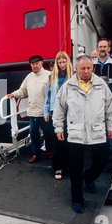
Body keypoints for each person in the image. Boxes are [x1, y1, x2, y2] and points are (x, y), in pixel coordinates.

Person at [53, 55, 112, 213]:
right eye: (83, 68)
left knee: (101, 161)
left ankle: (88, 178)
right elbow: (59, 109)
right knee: (75, 168)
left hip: (97, 131)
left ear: (92, 68)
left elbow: (110, 107)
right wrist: (59, 129)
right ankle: (77, 199)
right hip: (76, 133)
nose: (86, 71)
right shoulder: (68, 86)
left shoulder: (101, 85)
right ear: (76, 68)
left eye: (89, 68)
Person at [7, 55, 53, 163]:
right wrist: (13, 94)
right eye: (33, 64)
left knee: (48, 132)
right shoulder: (29, 77)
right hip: (32, 112)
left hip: (44, 111)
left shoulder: (49, 75)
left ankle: (50, 151)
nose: (35, 66)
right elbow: (22, 91)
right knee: (34, 134)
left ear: (41, 64)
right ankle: (35, 154)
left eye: (37, 63)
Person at [93, 38, 112, 171]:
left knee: (111, 128)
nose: (103, 49)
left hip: (110, 101)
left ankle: (111, 157)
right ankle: (99, 155)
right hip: (95, 101)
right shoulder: (92, 64)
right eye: (100, 47)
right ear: (97, 48)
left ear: (108, 49)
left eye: (105, 47)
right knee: (98, 128)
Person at [44, 51, 74, 180]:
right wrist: (46, 112)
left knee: (70, 140)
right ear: (56, 63)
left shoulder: (73, 76)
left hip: (71, 112)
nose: (62, 65)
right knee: (58, 140)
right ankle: (58, 167)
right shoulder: (52, 77)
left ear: (68, 62)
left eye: (64, 62)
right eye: (59, 62)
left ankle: (69, 165)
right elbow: (48, 96)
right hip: (55, 112)